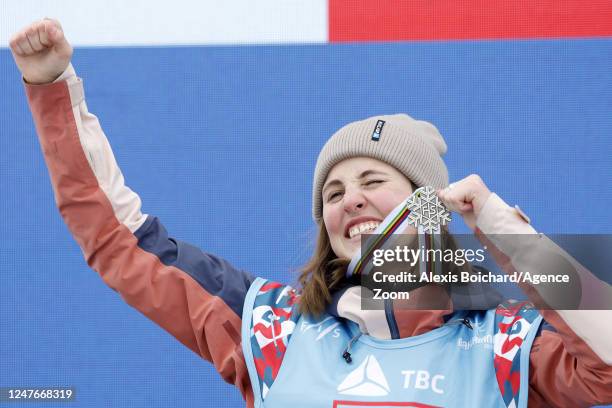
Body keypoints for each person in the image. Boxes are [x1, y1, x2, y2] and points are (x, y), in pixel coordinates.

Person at [10, 18, 612, 408]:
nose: (350, 199)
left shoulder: (503, 345)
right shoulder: (271, 330)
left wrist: (501, 226)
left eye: (374, 181)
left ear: (429, 205)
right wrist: (54, 88)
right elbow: (121, 243)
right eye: (333, 193)